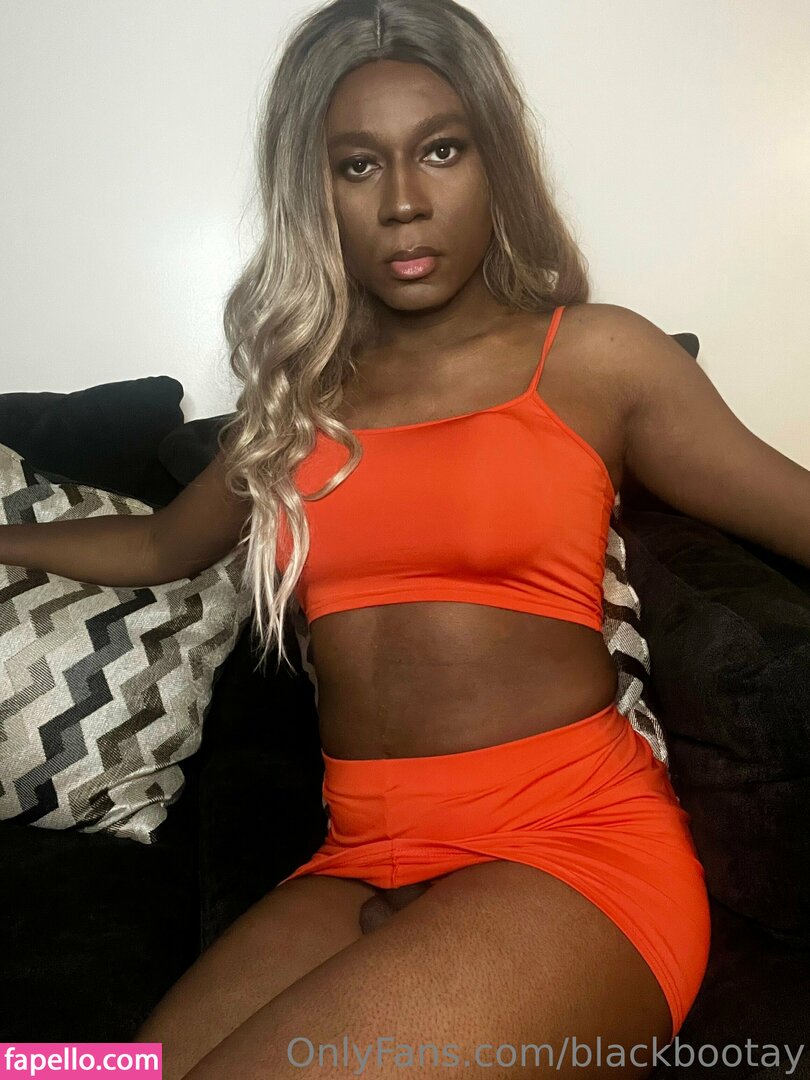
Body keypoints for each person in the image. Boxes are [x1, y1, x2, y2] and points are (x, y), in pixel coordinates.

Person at [10, 1, 806, 1077]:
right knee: (83, 1072)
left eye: (441, 150)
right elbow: (159, 547)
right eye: (357, 165)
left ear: (495, 161)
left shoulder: (596, 360)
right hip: (360, 858)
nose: (402, 202)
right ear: (317, 194)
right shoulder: (294, 410)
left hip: (572, 853)